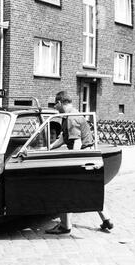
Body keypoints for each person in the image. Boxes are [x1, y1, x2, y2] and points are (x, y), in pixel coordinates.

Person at [45, 91, 114, 235]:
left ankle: (65, 226)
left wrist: (73, 163)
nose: (55, 107)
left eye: (55, 104)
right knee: (89, 191)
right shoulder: (70, 115)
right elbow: (64, 138)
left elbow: (77, 142)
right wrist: (47, 148)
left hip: (81, 156)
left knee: (65, 191)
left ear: (60, 102)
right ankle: (107, 219)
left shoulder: (71, 118)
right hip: (87, 156)